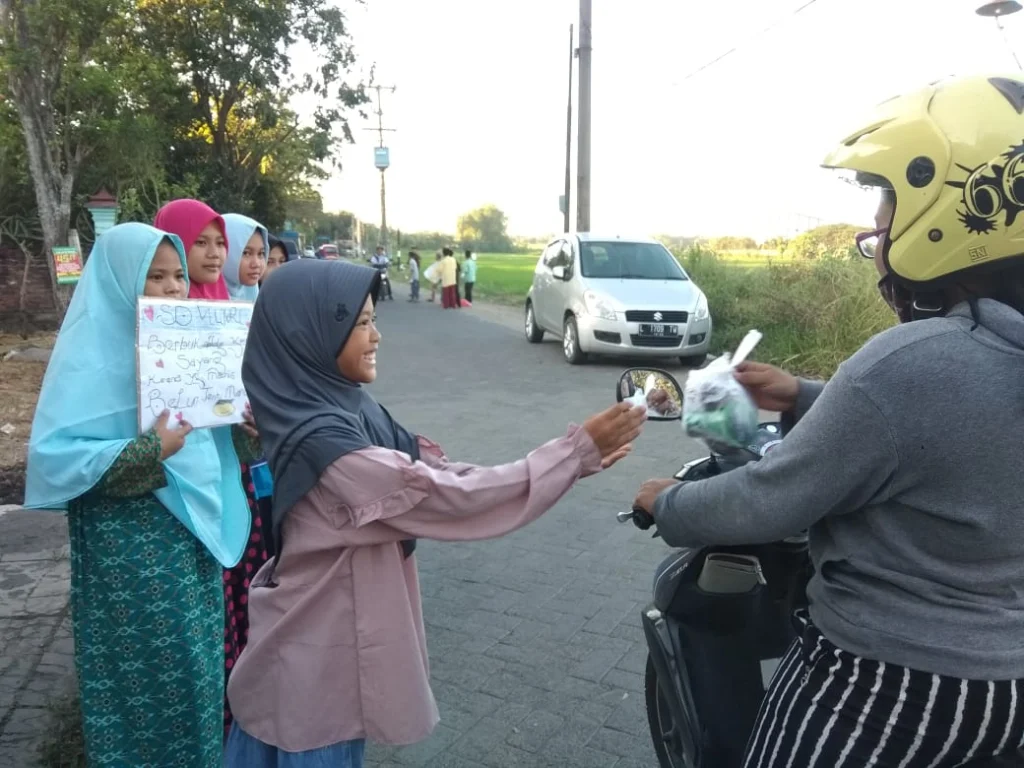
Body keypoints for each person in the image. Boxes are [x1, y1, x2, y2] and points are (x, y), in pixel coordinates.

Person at [633, 73, 1024, 767]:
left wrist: (670, 503)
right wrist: (805, 393)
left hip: (885, 685)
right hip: (1005, 695)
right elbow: (954, 436)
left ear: (953, 202)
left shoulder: (910, 361)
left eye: (890, 198)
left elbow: (765, 501)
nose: (877, 223)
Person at [223, 259, 646, 766]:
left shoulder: (335, 408)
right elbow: (445, 497)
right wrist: (569, 457)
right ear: (308, 334)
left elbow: (432, 472)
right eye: (359, 324)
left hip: (311, 660)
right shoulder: (326, 442)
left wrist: (569, 463)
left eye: (374, 319)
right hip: (313, 674)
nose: (377, 336)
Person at [23, 223, 255, 766]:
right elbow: (59, 458)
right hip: (127, 559)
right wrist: (149, 451)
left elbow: (211, 447)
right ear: (121, 281)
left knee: (195, 670)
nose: (174, 288)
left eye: (178, 276)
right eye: (155, 276)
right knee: (140, 682)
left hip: (193, 544)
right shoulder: (90, 360)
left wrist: (247, 433)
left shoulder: (189, 352)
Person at [157, 203, 269, 736]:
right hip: (174, 485)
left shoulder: (230, 308)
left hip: (232, 477)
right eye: (198, 243)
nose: (214, 255)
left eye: (217, 244)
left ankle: (242, 692)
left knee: (240, 582)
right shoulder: (151, 324)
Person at [154, 198, 230, 300]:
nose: (214, 253)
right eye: (201, 242)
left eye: (220, 243)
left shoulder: (221, 298)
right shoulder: (155, 304)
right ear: (173, 244)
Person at [222, 213, 269, 301]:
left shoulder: (252, 292)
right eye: (246, 253)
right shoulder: (198, 299)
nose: (256, 264)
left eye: (261, 253)